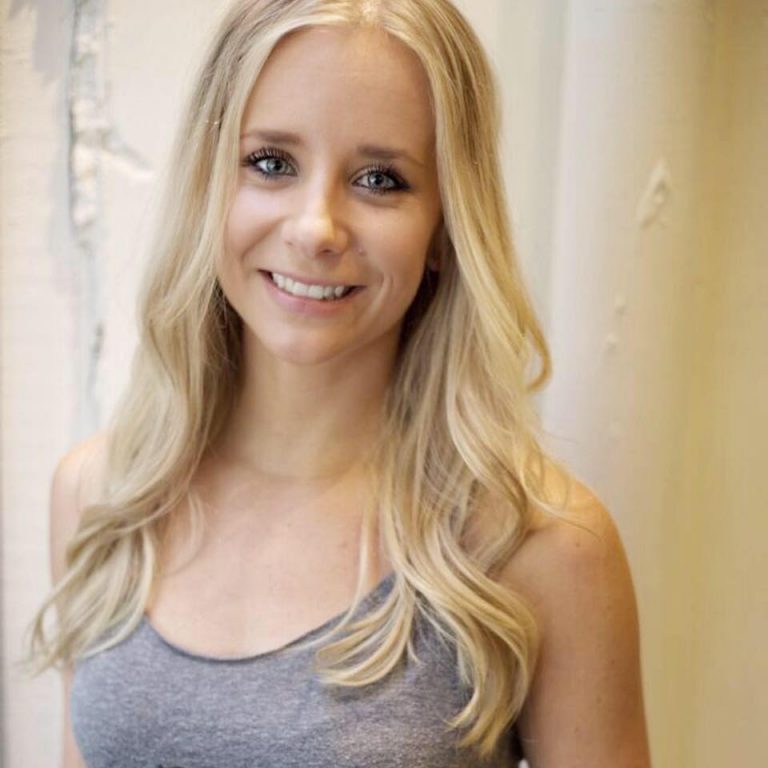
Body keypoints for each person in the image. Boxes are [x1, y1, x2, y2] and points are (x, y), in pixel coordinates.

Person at [24, 1, 651, 766]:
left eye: (380, 179)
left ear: (445, 228)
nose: (316, 228)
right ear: (208, 182)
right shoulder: (101, 498)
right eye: (271, 163)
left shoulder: (541, 549)